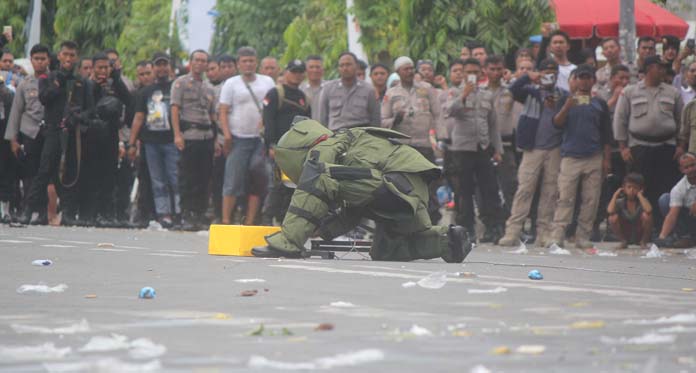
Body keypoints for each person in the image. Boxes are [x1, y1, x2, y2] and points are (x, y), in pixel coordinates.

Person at [250, 118, 472, 263]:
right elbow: (354, 209)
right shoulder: (347, 143)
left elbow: (318, 174)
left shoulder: (326, 145)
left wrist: (298, 230)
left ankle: (288, 242)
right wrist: (323, 231)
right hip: (407, 195)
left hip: (394, 187)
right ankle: (449, 241)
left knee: (320, 174)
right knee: (384, 251)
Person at [18, 41, 93, 226]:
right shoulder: (47, 78)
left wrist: (77, 117)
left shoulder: (81, 82)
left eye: (72, 55)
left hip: (72, 134)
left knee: (68, 174)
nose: (68, 59)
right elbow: (43, 99)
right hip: (52, 132)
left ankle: (67, 213)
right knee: (44, 172)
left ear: (76, 57)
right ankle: (28, 211)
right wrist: (57, 84)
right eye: (65, 54)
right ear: (58, 56)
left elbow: (91, 110)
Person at [498, 59, 565, 247]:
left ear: (558, 75)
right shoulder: (530, 92)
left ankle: (543, 233)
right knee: (524, 190)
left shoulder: (563, 95)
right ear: (540, 73)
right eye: (545, 71)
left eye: (553, 71)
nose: (549, 74)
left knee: (550, 192)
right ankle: (512, 231)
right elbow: (512, 90)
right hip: (532, 148)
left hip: (555, 149)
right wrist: (529, 76)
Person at [440, 58, 505, 242]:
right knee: (463, 192)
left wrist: (497, 149)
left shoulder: (487, 95)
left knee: (489, 190)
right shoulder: (454, 92)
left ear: (481, 73)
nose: (472, 76)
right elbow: (448, 112)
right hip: (461, 149)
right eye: (468, 72)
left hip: (482, 147)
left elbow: (493, 124)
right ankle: (466, 230)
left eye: (475, 72)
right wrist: (463, 96)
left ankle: (493, 228)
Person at [548, 64, 612, 249]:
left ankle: (582, 236)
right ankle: (557, 235)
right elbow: (557, 123)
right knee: (565, 198)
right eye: (580, 77)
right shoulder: (564, 100)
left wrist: (606, 160)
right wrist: (568, 105)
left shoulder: (599, 103)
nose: (584, 81)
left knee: (590, 200)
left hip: (593, 156)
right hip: (570, 157)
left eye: (587, 78)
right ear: (574, 80)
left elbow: (607, 134)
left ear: (593, 80)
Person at [613, 55, 684, 218]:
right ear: (648, 69)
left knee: (665, 186)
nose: (662, 70)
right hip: (639, 147)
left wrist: (680, 145)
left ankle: (661, 227)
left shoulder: (673, 92)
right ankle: (640, 225)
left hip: (666, 147)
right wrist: (623, 147)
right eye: (659, 67)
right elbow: (620, 120)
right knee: (639, 188)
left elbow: (681, 121)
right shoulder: (629, 92)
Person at [382, 56, 442, 223]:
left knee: (428, 186)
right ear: (398, 72)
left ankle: (432, 221)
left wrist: (441, 138)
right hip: (402, 147)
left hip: (424, 145)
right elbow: (382, 121)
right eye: (405, 69)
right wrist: (395, 120)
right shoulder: (391, 93)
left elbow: (438, 115)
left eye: (411, 68)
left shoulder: (427, 89)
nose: (410, 71)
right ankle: (407, 222)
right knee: (403, 187)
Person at [219, 46, 275, 225]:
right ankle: (226, 221)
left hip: (260, 140)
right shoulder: (231, 84)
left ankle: (250, 222)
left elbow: (272, 108)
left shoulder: (267, 82)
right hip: (238, 138)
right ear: (238, 64)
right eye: (244, 61)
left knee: (257, 180)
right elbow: (223, 111)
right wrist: (227, 136)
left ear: (256, 62)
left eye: (251, 61)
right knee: (232, 180)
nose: (248, 64)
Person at [128, 52, 180, 229]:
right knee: (158, 180)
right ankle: (164, 214)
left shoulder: (176, 87)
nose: (162, 68)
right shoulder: (145, 92)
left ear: (170, 67)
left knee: (175, 177)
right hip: (151, 142)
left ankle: (179, 212)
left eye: (165, 64)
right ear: (153, 68)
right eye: (158, 65)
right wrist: (132, 142)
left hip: (172, 141)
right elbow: (139, 117)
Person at [81, 51, 133, 227]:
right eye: (100, 67)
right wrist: (96, 87)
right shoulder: (86, 84)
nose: (103, 71)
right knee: (92, 176)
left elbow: (129, 101)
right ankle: (90, 214)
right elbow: (83, 108)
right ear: (93, 68)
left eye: (106, 67)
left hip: (110, 134)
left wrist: (116, 79)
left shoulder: (116, 84)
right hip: (91, 135)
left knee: (109, 176)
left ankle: (107, 214)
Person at [171, 49, 217, 231]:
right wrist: (176, 134)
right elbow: (175, 109)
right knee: (187, 177)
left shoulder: (209, 87)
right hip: (189, 135)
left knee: (204, 177)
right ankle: (186, 214)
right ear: (190, 63)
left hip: (207, 136)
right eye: (196, 60)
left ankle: (199, 213)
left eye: (203, 61)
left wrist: (217, 139)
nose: (200, 63)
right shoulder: (180, 83)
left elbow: (213, 114)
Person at [4, 44, 50, 225]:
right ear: (31, 60)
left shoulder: (54, 80)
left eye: (43, 58)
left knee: (45, 173)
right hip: (29, 132)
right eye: (36, 58)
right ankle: (30, 210)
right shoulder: (25, 84)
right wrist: (13, 140)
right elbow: (16, 112)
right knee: (30, 174)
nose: (40, 62)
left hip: (49, 132)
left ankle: (44, 211)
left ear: (48, 60)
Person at [261, 60, 311, 225]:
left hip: (297, 151)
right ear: (286, 72)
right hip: (279, 149)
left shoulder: (304, 97)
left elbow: (308, 125)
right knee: (276, 184)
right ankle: (267, 217)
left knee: (293, 186)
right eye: (293, 71)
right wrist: (272, 145)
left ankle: (284, 220)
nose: (297, 74)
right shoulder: (275, 93)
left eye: (300, 71)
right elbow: (268, 121)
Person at [317, 51, 380, 130]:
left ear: (356, 66)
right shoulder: (328, 89)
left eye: (348, 64)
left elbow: (376, 119)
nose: (345, 68)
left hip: (362, 135)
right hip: (336, 136)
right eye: (341, 65)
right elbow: (323, 119)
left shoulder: (369, 90)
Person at [655, 152, 696, 248]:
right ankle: (685, 236)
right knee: (665, 199)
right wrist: (662, 237)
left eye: (693, 165)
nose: (691, 169)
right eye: (686, 167)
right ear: (681, 170)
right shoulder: (678, 188)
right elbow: (672, 215)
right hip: (690, 218)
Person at [607, 173, 653, 249]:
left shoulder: (643, 201)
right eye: (629, 187)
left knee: (647, 216)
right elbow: (610, 211)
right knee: (612, 218)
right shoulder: (620, 202)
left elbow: (649, 210)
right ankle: (623, 241)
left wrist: (640, 195)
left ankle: (643, 241)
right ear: (624, 188)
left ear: (640, 189)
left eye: (635, 188)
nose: (631, 190)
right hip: (626, 231)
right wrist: (615, 195)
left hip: (639, 231)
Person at [300, 55, 324, 121]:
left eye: (318, 67)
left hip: (326, 129)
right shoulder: (300, 89)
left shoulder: (330, 88)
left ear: (322, 69)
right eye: (311, 67)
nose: (315, 70)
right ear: (306, 70)